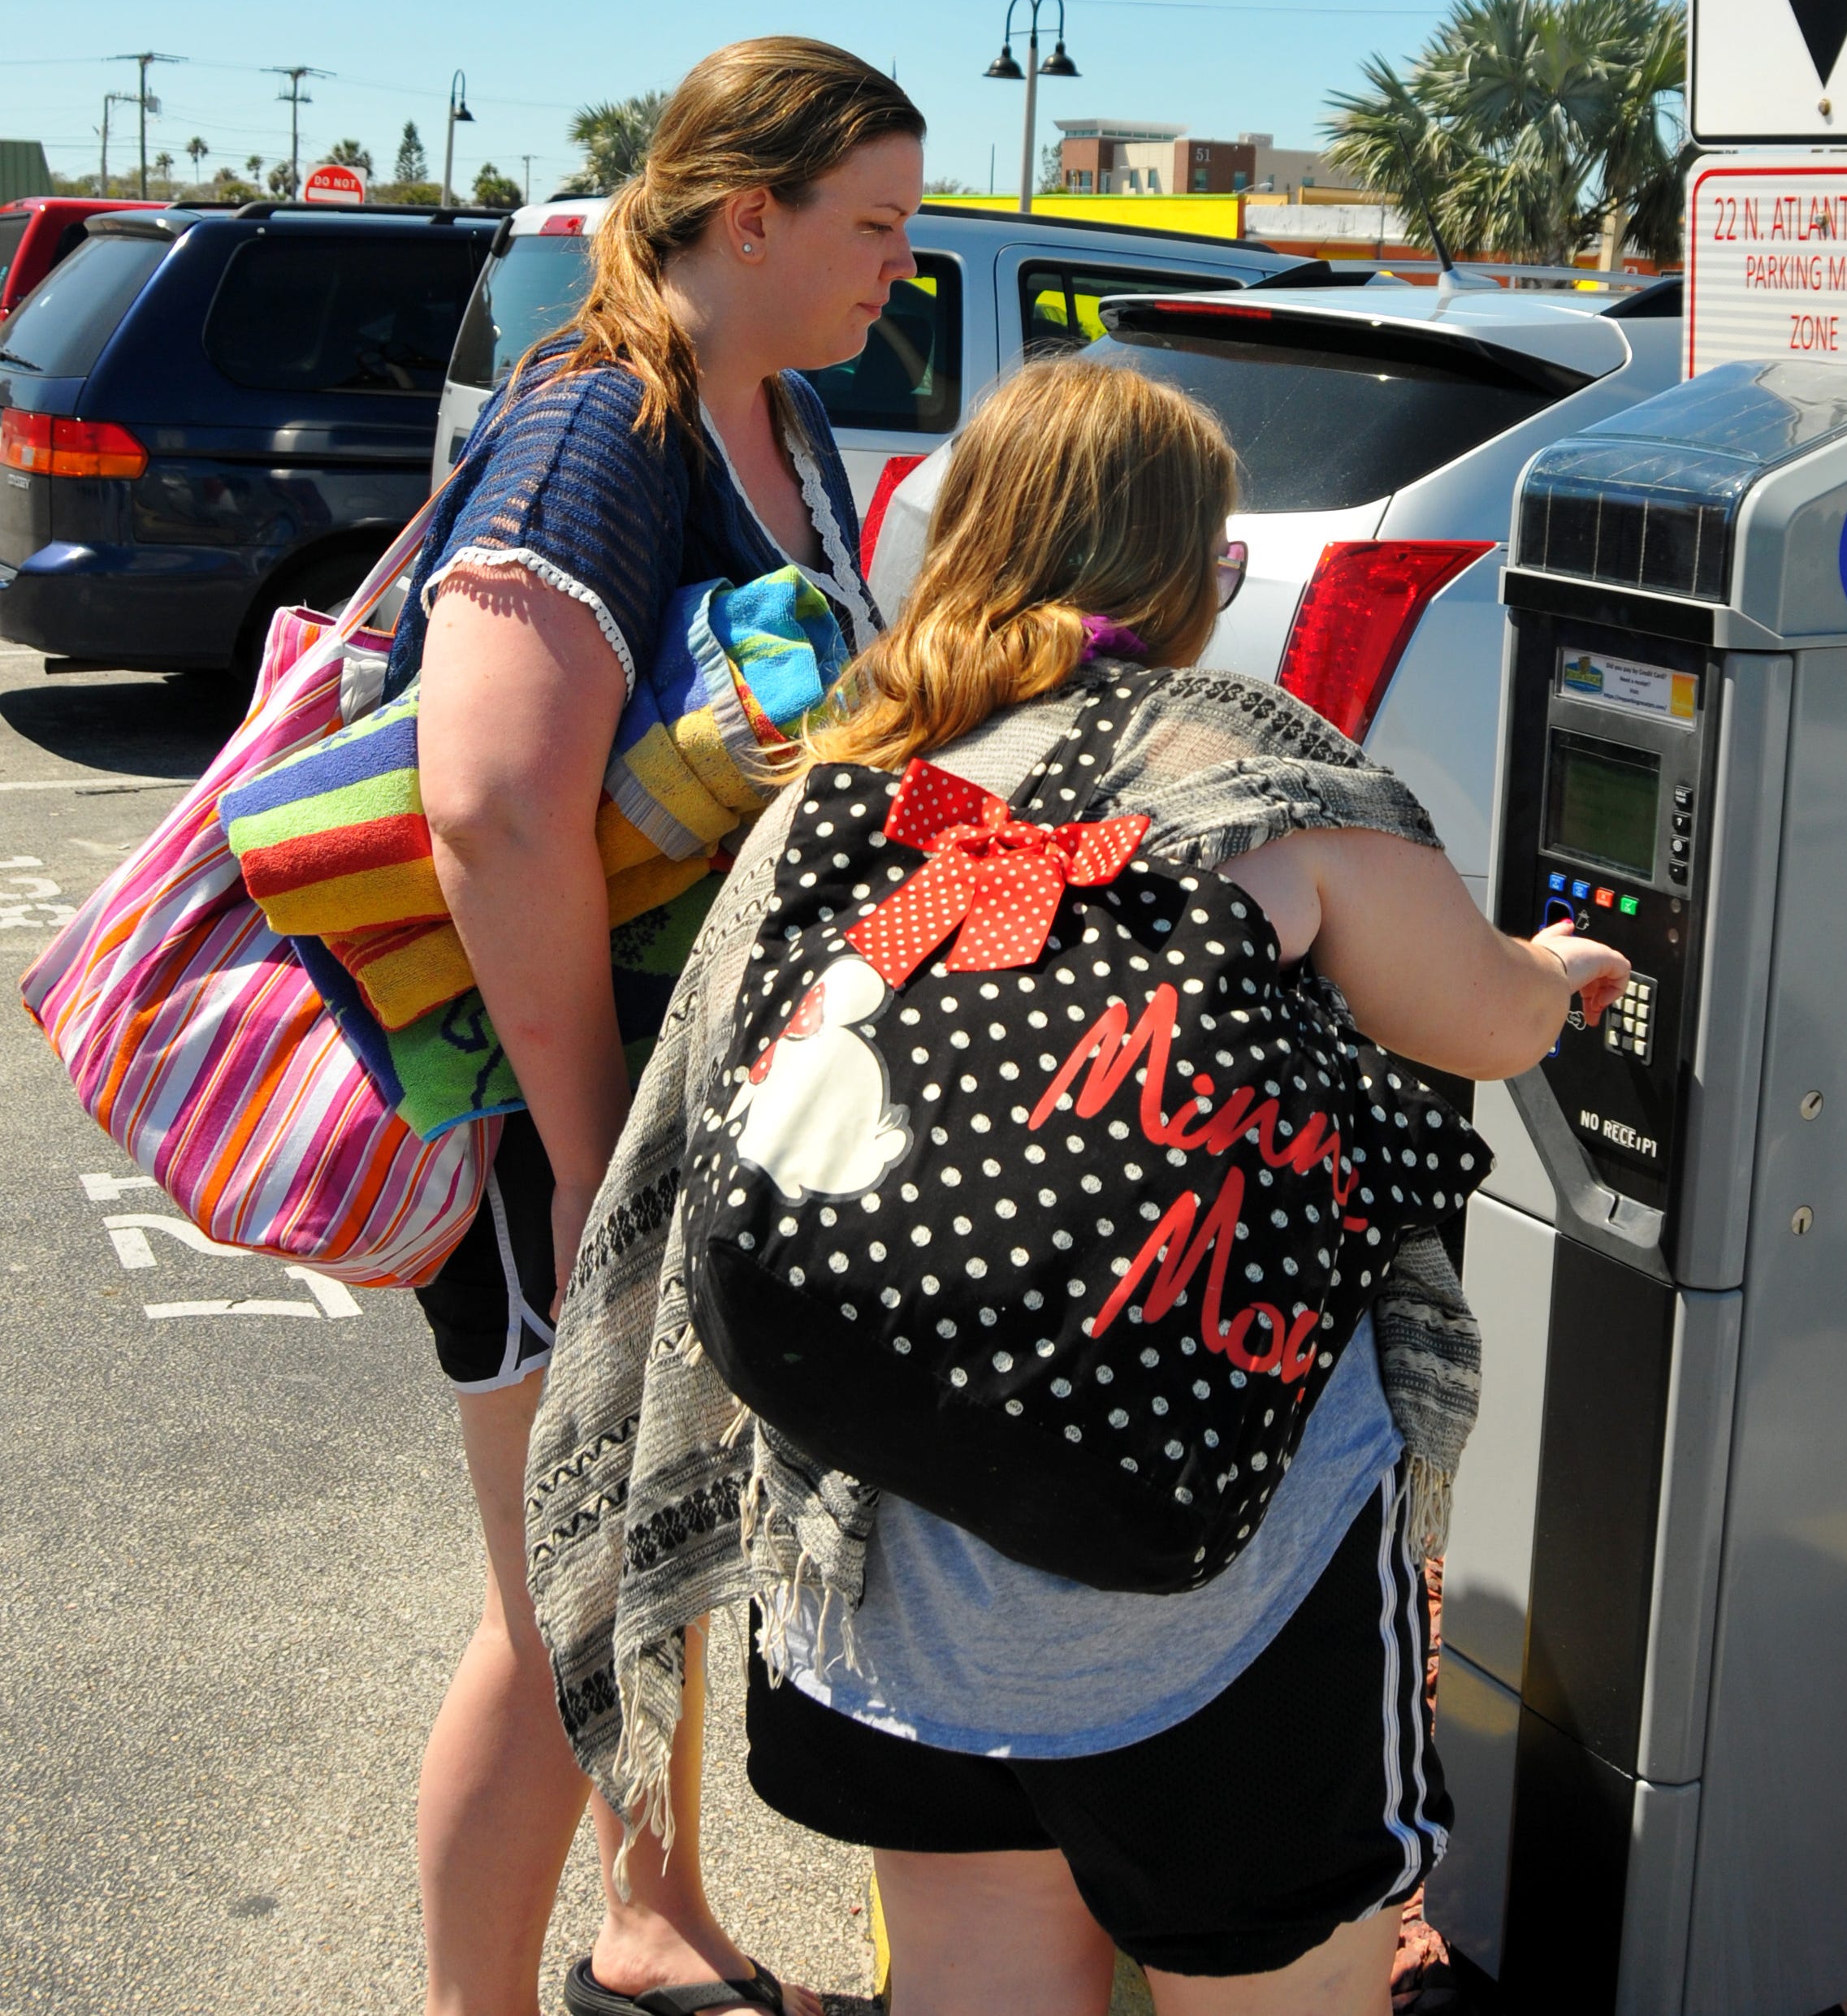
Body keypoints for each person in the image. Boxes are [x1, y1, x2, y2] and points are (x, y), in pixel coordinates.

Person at [529, 355, 1629, 2016]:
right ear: (1190, 571)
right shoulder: (1263, 778)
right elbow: (1478, 1028)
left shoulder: (852, 787)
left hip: (885, 1576)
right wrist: (1556, 970)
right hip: (1220, 1600)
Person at [392, 34, 923, 2016]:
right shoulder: (594, 433)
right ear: (745, 215)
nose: (897, 262)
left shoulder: (775, 417)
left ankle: (655, 1921)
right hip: (561, 1122)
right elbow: (491, 800)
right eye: (869, 224)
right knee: (557, 1613)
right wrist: (591, 1150)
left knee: (650, 1562)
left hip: (675, 1113)